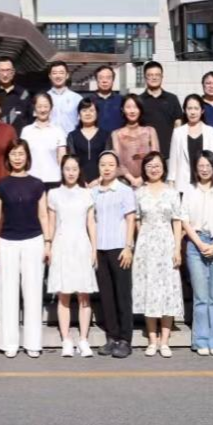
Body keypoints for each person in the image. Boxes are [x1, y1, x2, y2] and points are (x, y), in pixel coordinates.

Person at [0, 141, 48, 358]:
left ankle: (33, 343)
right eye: (13, 154)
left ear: (27, 157)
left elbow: (43, 215)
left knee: (33, 292)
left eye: (21, 154)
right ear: (8, 157)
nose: (17, 158)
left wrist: (48, 242)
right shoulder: (1, 185)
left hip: (34, 240)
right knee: (8, 293)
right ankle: (9, 343)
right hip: (7, 242)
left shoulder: (37, 184)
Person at [132, 152, 184, 357]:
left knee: (167, 289)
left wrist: (177, 248)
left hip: (166, 243)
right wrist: (141, 242)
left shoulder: (172, 192)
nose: (153, 169)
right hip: (146, 245)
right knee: (149, 289)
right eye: (149, 166)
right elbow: (137, 220)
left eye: (157, 165)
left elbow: (177, 221)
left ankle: (165, 341)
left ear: (163, 168)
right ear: (144, 169)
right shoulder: (139, 193)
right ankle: (152, 340)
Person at [47, 155, 98, 359]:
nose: (71, 172)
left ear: (79, 171)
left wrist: (94, 249)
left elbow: (91, 223)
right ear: (62, 170)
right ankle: (66, 339)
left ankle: (84, 339)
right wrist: (48, 246)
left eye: (74, 169)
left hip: (81, 244)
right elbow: (51, 223)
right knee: (64, 294)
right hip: (61, 244)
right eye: (67, 169)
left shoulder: (87, 194)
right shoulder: (53, 194)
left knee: (84, 294)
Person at [181, 151, 213, 356]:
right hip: (196, 242)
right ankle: (201, 340)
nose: (204, 169)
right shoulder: (189, 190)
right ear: (195, 168)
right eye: (201, 165)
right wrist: (199, 243)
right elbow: (184, 219)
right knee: (201, 296)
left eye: (208, 165)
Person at [91, 151, 137, 359]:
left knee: (122, 294)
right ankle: (112, 337)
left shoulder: (125, 191)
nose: (107, 168)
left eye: (111, 164)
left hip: (119, 248)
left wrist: (128, 247)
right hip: (100, 248)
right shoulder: (94, 192)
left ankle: (125, 339)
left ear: (118, 168)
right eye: (103, 165)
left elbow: (130, 220)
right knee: (106, 295)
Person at [167, 94, 213, 195]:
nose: (193, 112)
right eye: (189, 108)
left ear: (202, 111)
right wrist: (171, 183)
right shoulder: (178, 132)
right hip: (183, 185)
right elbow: (173, 161)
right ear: (185, 110)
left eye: (196, 108)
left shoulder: (211, 132)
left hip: (206, 185)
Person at [136, 61, 182, 165]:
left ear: (162, 77)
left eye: (157, 75)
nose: (154, 78)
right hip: (147, 156)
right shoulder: (139, 100)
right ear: (145, 77)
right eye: (150, 75)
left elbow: (178, 125)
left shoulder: (172, 99)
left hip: (169, 154)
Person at [110, 95, 159, 189]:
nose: (132, 111)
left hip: (148, 180)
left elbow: (155, 158)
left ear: (140, 109)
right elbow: (118, 161)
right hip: (125, 182)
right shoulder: (117, 134)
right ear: (123, 110)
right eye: (128, 107)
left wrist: (142, 178)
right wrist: (132, 179)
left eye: (135, 107)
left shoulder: (150, 131)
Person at [20, 92, 67, 188]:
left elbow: (62, 158)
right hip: (30, 179)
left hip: (53, 179)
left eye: (46, 106)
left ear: (51, 108)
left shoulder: (58, 131)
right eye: (39, 106)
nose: (42, 110)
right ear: (34, 108)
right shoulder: (26, 131)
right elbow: (22, 156)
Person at [67, 98, 111, 185]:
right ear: (79, 114)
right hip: (78, 182)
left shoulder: (105, 135)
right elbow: (72, 161)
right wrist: (80, 181)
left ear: (97, 113)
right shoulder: (72, 136)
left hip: (101, 181)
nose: (88, 113)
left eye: (91, 110)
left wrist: (99, 180)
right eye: (84, 110)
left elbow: (108, 160)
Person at [0, 56, 32, 132]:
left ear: (13, 72)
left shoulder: (23, 94)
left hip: (19, 138)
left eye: (8, 70)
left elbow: (30, 118)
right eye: (2, 70)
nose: (5, 74)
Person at [46, 61, 83, 135]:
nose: (58, 76)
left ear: (67, 75)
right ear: (50, 76)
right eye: (54, 73)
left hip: (71, 139)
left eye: (61, 73)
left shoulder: (77, 98)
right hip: (49, 139)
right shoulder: (44, 98)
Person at [86, 66, 125, 133]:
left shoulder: (122, 100)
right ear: (96, 80)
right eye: (101, 78)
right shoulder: (88, 101)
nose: (104, 81)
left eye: (108, 78)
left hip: (117, 138)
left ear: (113, 80)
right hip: (95, 138)